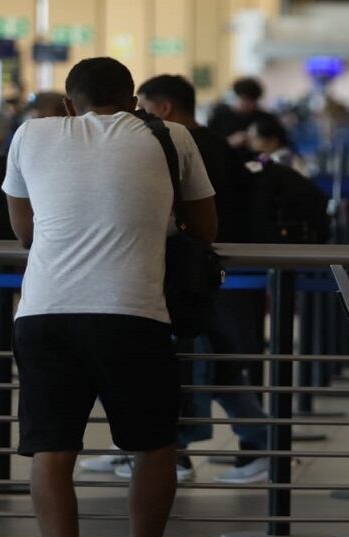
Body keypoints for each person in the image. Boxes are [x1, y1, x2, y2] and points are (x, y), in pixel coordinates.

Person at [2, 57, 217, 537]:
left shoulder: (31, 132)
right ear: (133, 100)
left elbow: (23, 230)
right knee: (151, 448)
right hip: (133, 312)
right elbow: (205, 225)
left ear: (70, 104)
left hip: (43, 312)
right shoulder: (170, 136)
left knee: (52, 450)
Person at [131, 73, 271, 484]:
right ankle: (182, 451)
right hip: (207, 274)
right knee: (213, 362)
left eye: (144, 106)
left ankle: (186, 451)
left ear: (165, 107)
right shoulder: (215, 143)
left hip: (193, 275)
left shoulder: (183, 145)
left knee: (201, 361)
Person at [208, 76, 278, 152]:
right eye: (244, 99)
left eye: (252, 100)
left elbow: (279, 142)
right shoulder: (219, 116)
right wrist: (229, 142)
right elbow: (208, 144)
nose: (249, 104)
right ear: (235, 97)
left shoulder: (265, 118)